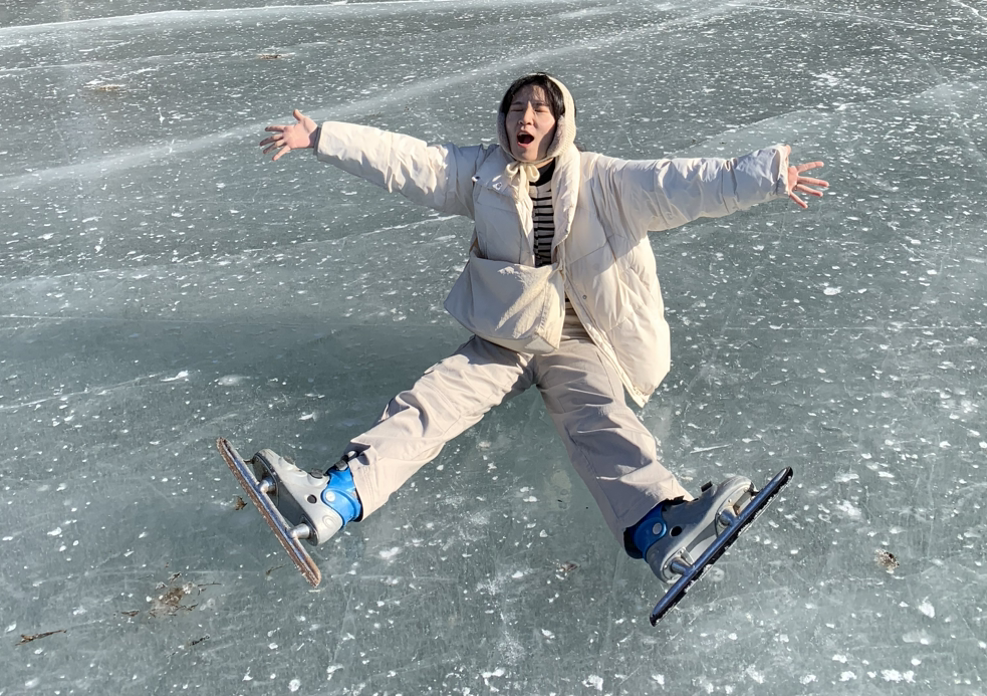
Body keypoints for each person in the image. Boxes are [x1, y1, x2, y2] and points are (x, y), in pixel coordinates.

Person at [252, 73, 827, 586]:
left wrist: (769, 174)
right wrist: (323, 136)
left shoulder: (606, 180)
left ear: (561, 121)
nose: (524, 117)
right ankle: (338, 496)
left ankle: (660, 526)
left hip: (580, 336)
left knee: (598, 417)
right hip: (511, 332)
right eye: (515, 108)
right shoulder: (481, 174)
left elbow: (684, 182)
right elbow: (409, 162)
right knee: (435, 400)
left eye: (539, 109)